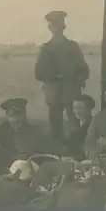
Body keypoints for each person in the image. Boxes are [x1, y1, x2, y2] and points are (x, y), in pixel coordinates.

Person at [35, 11, 90, 146]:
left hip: (71, 91)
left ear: (63, 27)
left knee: (75, 121)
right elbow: (39, 72)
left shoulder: (72, 47)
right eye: (53, 27)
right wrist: (54, 77)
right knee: (55, 124)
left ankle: (78, 147)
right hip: (54, 93)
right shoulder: (46, 48)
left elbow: (83, 69)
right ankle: (57, 150)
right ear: (50, 28)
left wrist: (77, 79)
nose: (56, 30)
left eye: (58, 26)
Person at [62, 94, 96, 162]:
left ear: (89, 109)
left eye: (81, 109)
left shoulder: (95, 125)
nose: (77, 112)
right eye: (75, 108)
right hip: (69, 161)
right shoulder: (70, 125)